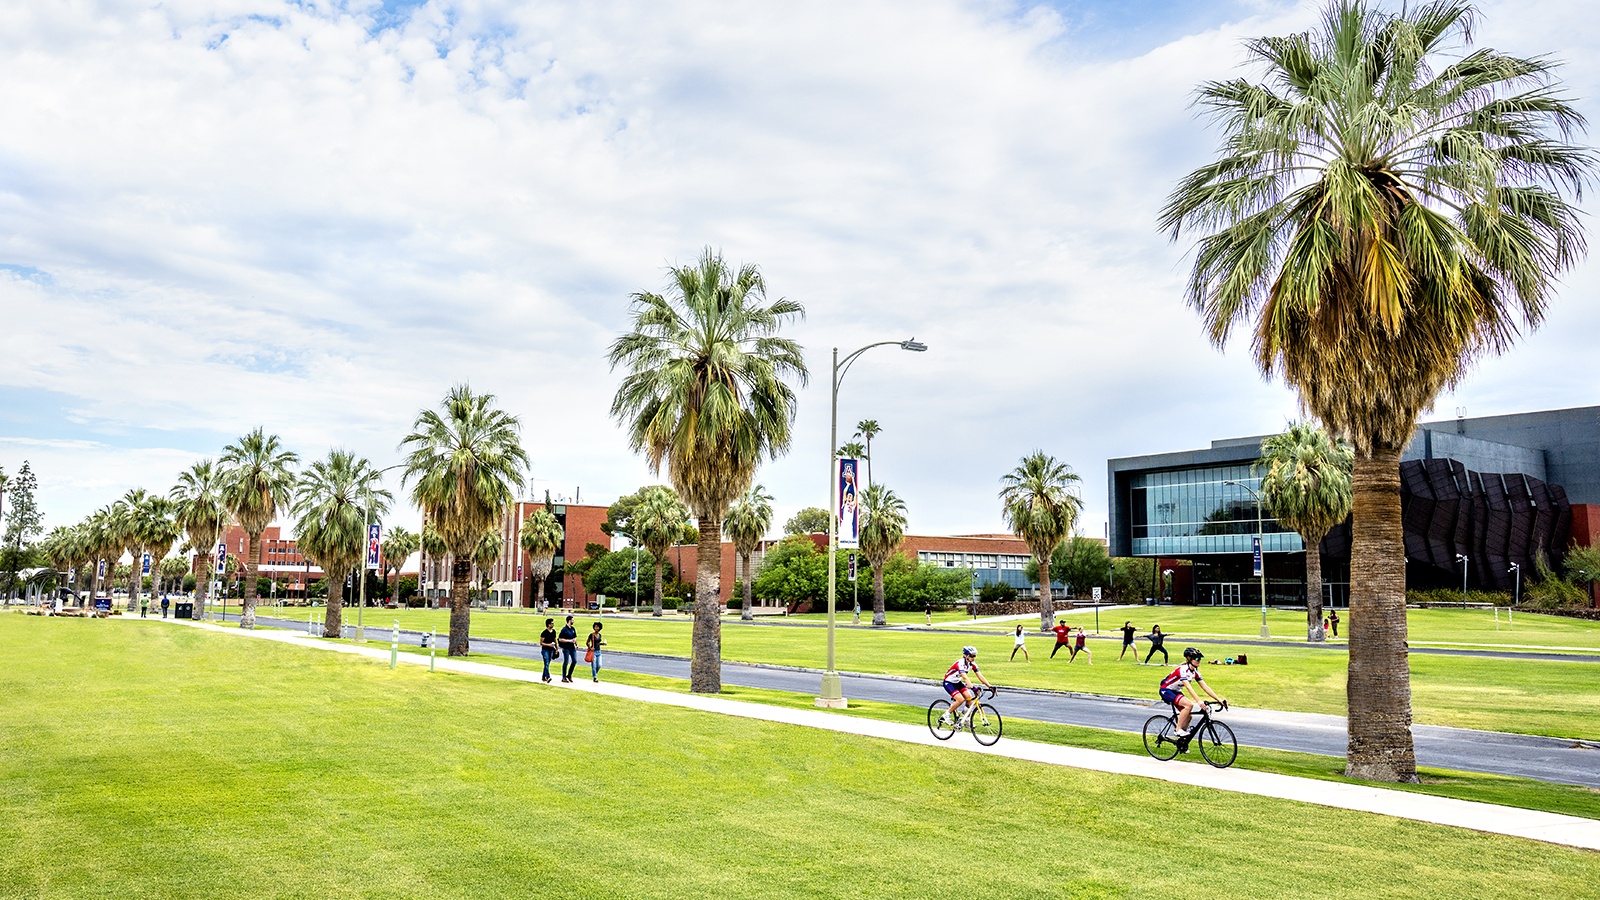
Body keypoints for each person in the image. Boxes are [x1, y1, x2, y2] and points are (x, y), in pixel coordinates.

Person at [1159, 647, 1226, 741]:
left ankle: (1182, 742)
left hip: (1175, 691)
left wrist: (1219, 700)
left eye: (1200, 659)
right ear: (1189, 659)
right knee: (1189, 705)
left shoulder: (1195, 672)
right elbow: (1188, 687)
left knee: (1188, 716)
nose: (1199, 661)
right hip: (1166, 690)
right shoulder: (1183, 670)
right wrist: (1199, 701)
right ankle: (1178, 730)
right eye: (1197, 658)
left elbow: (1205, 687)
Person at [938, 646, 993, 726]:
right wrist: (973, 688)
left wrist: (990, 686)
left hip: (957, 682)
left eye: (974, 656)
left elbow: (980, 676)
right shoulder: (960, 663)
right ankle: (945, 716)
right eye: (971, 656)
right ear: (966, 655)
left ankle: (966, 719)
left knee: (969, 697)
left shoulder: (972, 664)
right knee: (960, 700)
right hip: (948, 682)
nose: (973, 658)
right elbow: (965, 677)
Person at [558, 615, 579, 683]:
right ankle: (564, 677)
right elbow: (560, 639)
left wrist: (576, 644)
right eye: (572, 620)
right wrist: (569, 641)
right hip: (566, 648)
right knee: (566, 662)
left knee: (574, 661)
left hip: (572, 648)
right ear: (569, 620)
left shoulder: (573, 629)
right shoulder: (564, 629)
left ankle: (569, 675)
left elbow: (574, 638)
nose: (573, 621)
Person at [538, 618, 558, 683]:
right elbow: (541, 643)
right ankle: (548, 677)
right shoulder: (544, 633)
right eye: (552, 623)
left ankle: (543, 677)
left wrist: (556, 648)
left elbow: (555, 640)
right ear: (548, 624)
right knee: (546, 663)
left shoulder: (554, 632)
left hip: (551, 650)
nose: (553, 624)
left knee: (547, 663)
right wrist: (549, 645)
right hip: (545, 650)